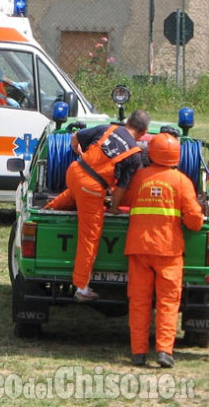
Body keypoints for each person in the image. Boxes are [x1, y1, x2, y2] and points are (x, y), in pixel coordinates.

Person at [44, 110, 150, 302]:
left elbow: (75, 137)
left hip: (75, 171)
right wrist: (114, 208)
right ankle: (82, 287)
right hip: (92, 188)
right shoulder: (134, 154)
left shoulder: (107, 128)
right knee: (90, 237)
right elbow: (121, 189)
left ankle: (47, 210)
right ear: (144, 132)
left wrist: (77, 149)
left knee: (72, 195)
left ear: (127, 122)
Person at [124, 133, 204, 368]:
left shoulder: (139, 177)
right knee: (168, 303)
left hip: (139, 249)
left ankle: (138, 353)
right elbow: (194, 221)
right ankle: (164, 352)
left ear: (151, 153)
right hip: (169, 251)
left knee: (139, 303)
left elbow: (125, 199)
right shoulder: (182, 181)